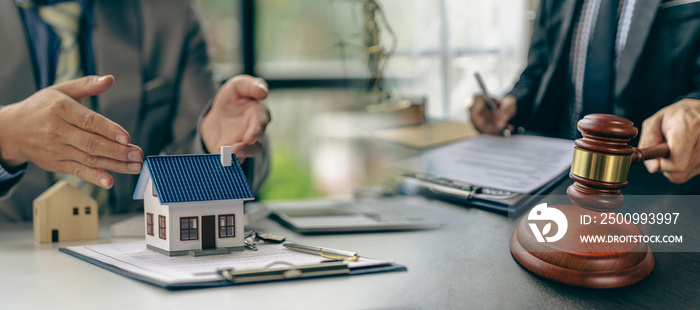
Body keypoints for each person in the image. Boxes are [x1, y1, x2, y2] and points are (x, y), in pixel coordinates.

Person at [0, 0, 270, 222]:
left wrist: (215, 150)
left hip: (137, 253)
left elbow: (200, 166)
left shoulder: (170, 14)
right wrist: (5, 138)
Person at [470, 0, 700, 184]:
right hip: (554, 175)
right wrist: (511, 103)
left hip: (652, 178)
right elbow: (538, 69)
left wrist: (694, 104)